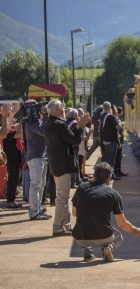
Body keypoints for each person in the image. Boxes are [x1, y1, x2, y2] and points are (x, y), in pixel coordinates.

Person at [71, 162, 140, 262]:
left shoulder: (81, 188)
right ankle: (109, 247)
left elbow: (74, 213)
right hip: (103, 236)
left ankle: (87, 251)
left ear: (94, 176)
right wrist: (136, 230)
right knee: (119, 236)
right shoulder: (114, 194)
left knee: (82, 227)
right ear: (109, 178)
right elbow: (122, 224)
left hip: (81, 238)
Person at [44, 99, 90, 236]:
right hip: (62, 164)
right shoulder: (59, 125)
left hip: (55, 163)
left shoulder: (48, 124)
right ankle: (58, 226)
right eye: (63, 110)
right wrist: (81, 126)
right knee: (63, 197)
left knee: (62, 195)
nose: (65, 112)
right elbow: (75, 140)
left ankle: (66, 224)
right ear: (57, 110)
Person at [24, 101, 52, 220]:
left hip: (41, 156)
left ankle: (38, 208)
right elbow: (42, 131)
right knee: (35, 184)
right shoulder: (31, 122)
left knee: (41, 184)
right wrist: (45, 116)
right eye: (39, 108)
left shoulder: (36, 121)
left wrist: (44, 117)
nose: (41, 109)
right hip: (35, 156)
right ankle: (34, 211)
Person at [1, 104, 22, 208]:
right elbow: (8, 132)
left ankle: (11, 200)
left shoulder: (7, 128)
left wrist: (11, 114)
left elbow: (6, 129)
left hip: (11, 158)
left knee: (13, 179)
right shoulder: (9, 130)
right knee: (11, 178)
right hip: (9, 158)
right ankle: (10, 200)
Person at [100, 102, 122, 180]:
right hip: (112, 140)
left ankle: (105, 175)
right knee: (111, 159)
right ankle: (110, 175)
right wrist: (116, 117)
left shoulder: (102, 116)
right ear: (109, 108)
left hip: (105, 139)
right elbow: (119, 127)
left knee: (106, 158)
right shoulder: (110, 117)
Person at [112, 106, 128, 177]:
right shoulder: (116, 119)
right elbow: (117, 131)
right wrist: (119, 143)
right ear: (121, 112)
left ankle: (118, 170)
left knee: (119, 157)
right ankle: (116, 171)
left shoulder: (117, 119)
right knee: (117, 157)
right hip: (118, 141)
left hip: (120, 141)